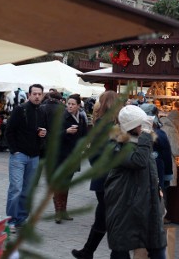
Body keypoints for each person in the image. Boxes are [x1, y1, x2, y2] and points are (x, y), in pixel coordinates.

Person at [104, 105, 167, 259]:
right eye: (141, 124)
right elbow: (138, 161)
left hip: (148, 205)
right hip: (124, 206)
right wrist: (146, 135)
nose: (145, 127)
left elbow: (151, 173)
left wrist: (159, 201)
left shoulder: (142, 141)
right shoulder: (116, 145)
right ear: (131, 126)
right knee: (121, 250)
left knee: (157, 249)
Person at [72, 90, 120, 259]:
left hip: (103, 178)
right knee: (108, 216)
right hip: (111, 178)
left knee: (104, 215)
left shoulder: (103, 125)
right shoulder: (114, 126)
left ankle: (89, 252)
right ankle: (95, 252)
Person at [5, 83, 47, 233]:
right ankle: (10, 220)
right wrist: (14, 150)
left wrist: (42, 133)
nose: (37, 96)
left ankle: (21, 220)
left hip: (34, 156)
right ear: (29, 95)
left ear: (42, 95)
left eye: (39, 94)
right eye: (34, 94)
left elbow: (42, 130)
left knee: (28, 189)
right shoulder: (20, 109)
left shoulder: (42, 111)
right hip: (19, 155)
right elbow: (9, 131)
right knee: (16, 188)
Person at [52, 94, 88, 223]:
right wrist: (66, 132)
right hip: (61, 155)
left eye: (73, 104)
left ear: (78, 106)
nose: (70, 106)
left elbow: (84, 134)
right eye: (69, 104)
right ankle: (58, 212)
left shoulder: (82, 118)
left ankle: (64, 210)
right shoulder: (61, 117)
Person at [159, 100, 179, 212]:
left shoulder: (161, 126)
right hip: (167, 163)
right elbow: (176, 150)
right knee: (164, 190)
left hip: (159, 162)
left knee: (160, 189)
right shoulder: (172, 130)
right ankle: (163, 216)